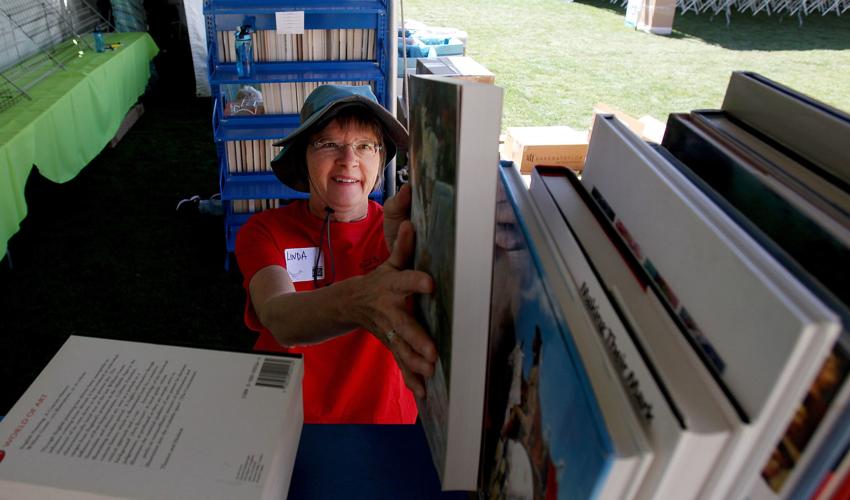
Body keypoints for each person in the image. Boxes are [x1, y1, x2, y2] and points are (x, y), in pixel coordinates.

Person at [235, 84, 436, 424]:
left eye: (365, 146)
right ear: (303, 156)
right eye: (329, 144)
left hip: (383, 428)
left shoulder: (406, 230)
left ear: (381, 158)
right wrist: (363, 299)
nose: (349, 160)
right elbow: (278, 316)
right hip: (284, 422)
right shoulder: (265, 230)